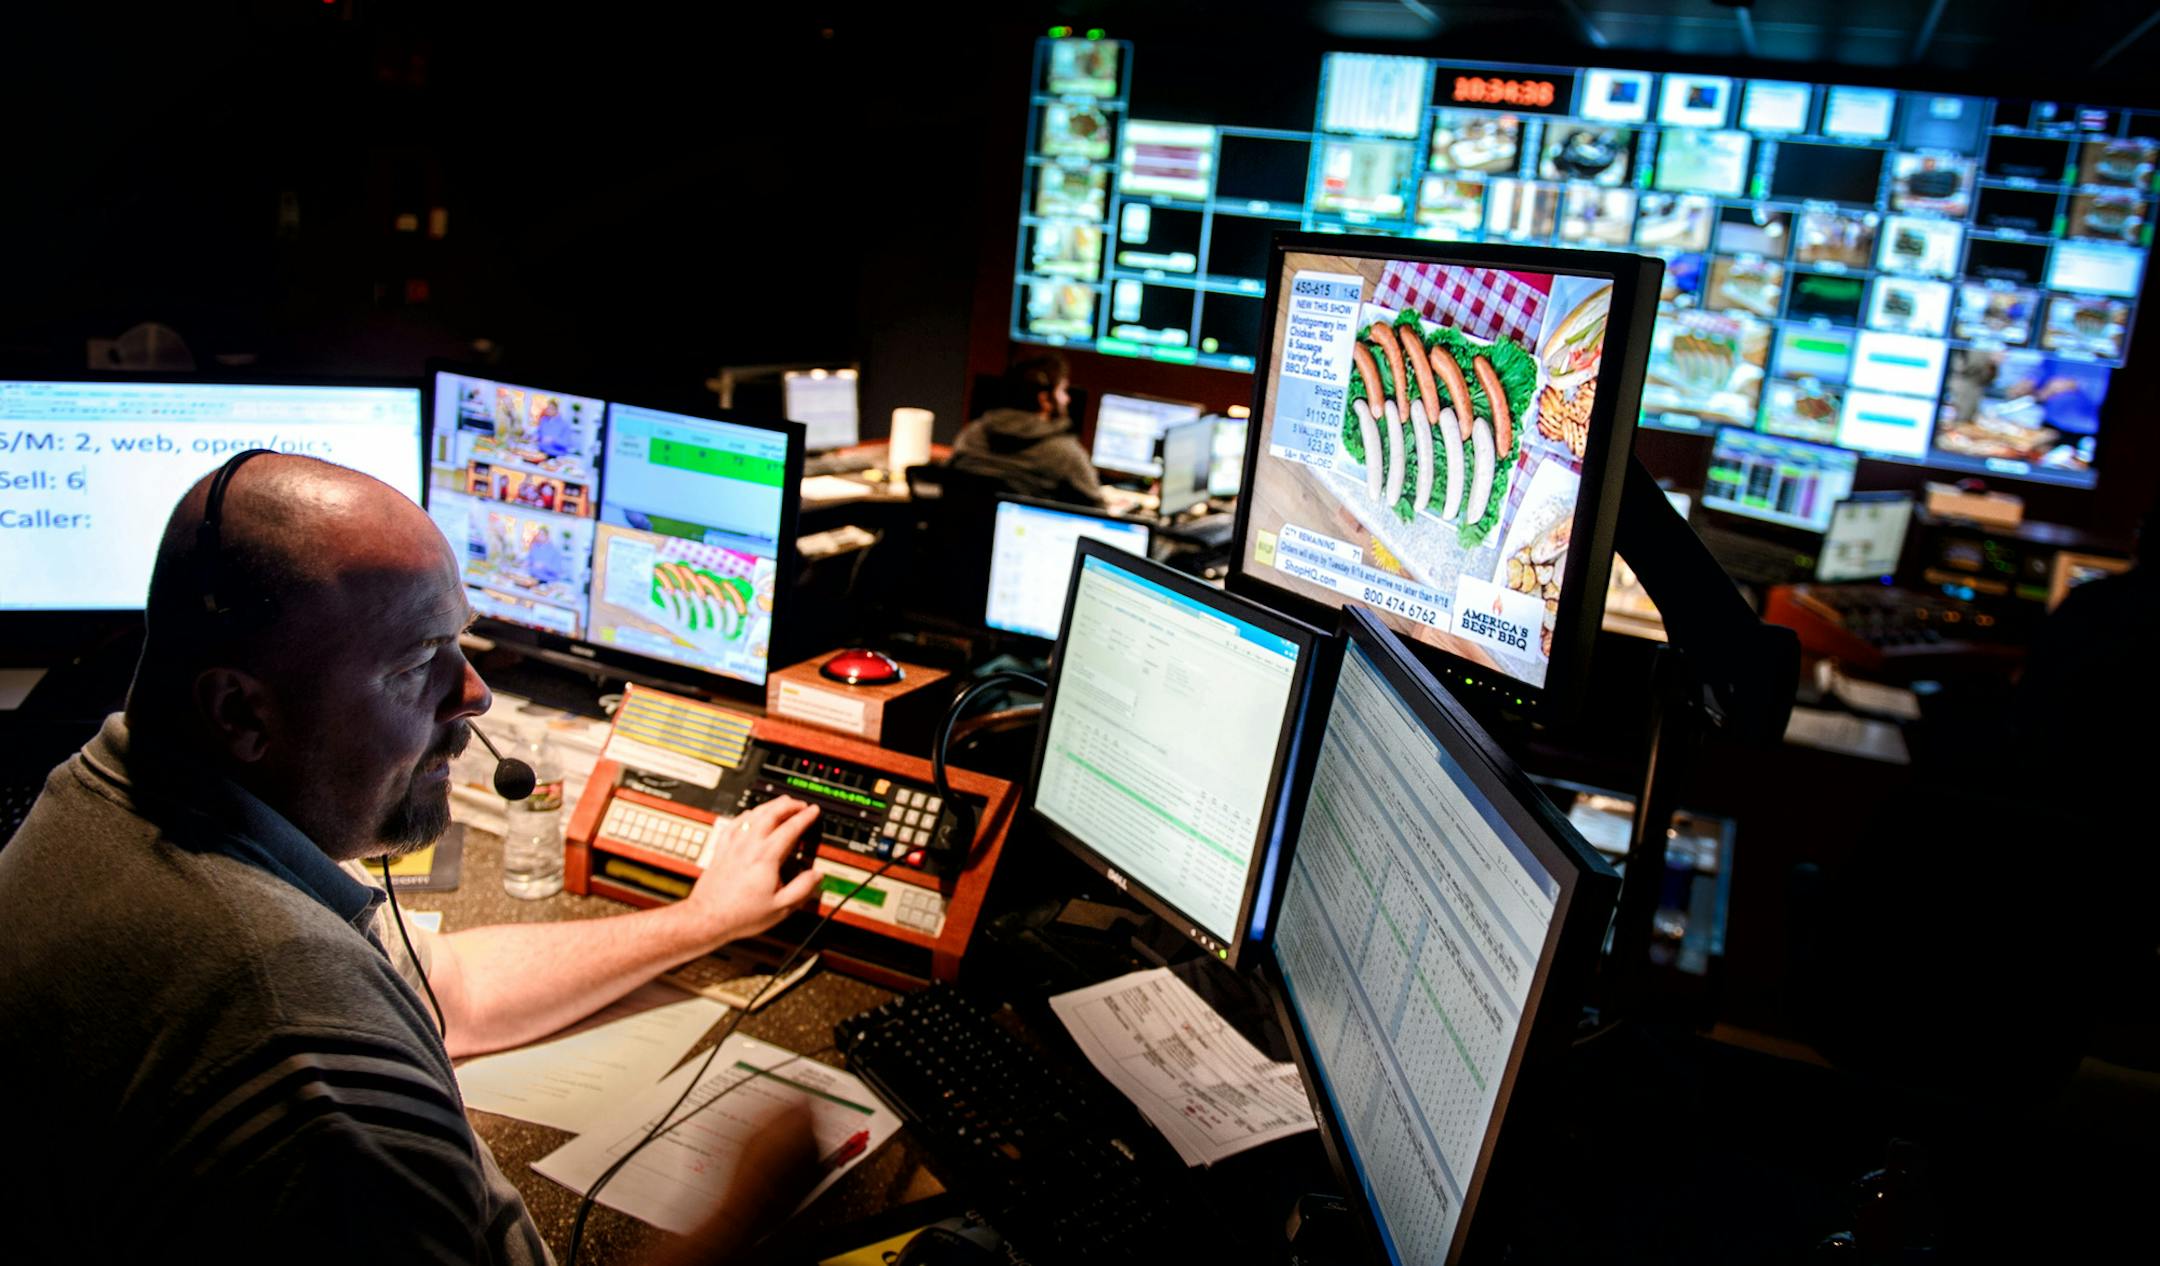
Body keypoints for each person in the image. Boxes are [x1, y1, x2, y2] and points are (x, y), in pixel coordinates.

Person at [0, 453, 824, 1262]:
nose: (474, 694)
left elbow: (449, 992)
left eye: (461, 642)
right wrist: (739, 1222)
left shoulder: (110, 801)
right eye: (416, 661)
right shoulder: (304, 1064)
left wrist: (701, 921)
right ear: (238, 710)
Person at [948, 351, 1105, 507]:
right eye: (1062, 390)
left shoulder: (973, 433)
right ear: (1045, 399)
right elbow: (1098, 509)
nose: (1067, 398)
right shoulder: (1065, 453)